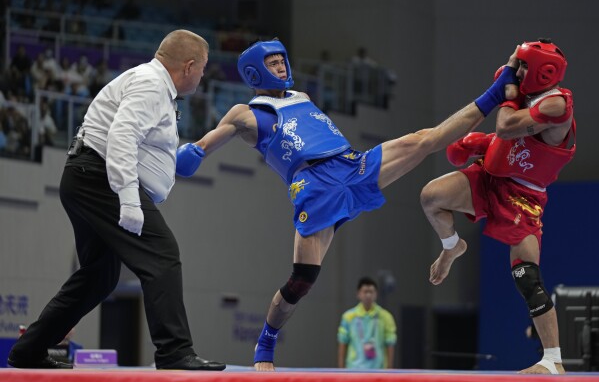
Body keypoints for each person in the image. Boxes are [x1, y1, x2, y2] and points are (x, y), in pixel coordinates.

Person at [175, 39, 519, 371]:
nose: (281, 66)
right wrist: (194, 153)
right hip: (314, 187)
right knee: (302, 280)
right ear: (254, 73)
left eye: (282, 60)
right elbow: (210, 140)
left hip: (353, 165)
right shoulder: (246, 113)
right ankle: (266, 342)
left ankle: (495, 93)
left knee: (423, 140)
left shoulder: (302, 96)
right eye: (272, 63)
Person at [8, 30, 226, 371]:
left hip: (86, 176)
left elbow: (137, 140)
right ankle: (174, 352)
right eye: (203, 69)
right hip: (100, 177)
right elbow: (121, 135)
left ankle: (28, 350)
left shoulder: (154, 86)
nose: (202, 76)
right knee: (162, 254)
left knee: (99, 275)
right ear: (189, 66)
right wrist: (128, 198)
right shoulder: (152, 84)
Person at [420, 39, 573, 375]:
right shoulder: (523, 92)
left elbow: (505, 126)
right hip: (489, 178)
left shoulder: (556, 105)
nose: (515, 72)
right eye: (516, 65)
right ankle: (451, 246)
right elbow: (505, 137)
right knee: (431, 197)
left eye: (522, 66)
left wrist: (508, 91)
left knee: (526, 277)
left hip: (524, 196)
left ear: (543, 72)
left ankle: (553, 361)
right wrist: (485, 146)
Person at [337, 277, 397, 369]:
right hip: (354, 370)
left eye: (371, 292)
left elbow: (390, 344)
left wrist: (389, 370)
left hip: (378, 370)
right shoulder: (348, 316)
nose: (368, 295)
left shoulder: (386, 317)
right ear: (358, 294)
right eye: (365, 291)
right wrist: (341, 371)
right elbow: (342, 343)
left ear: (376, 294)